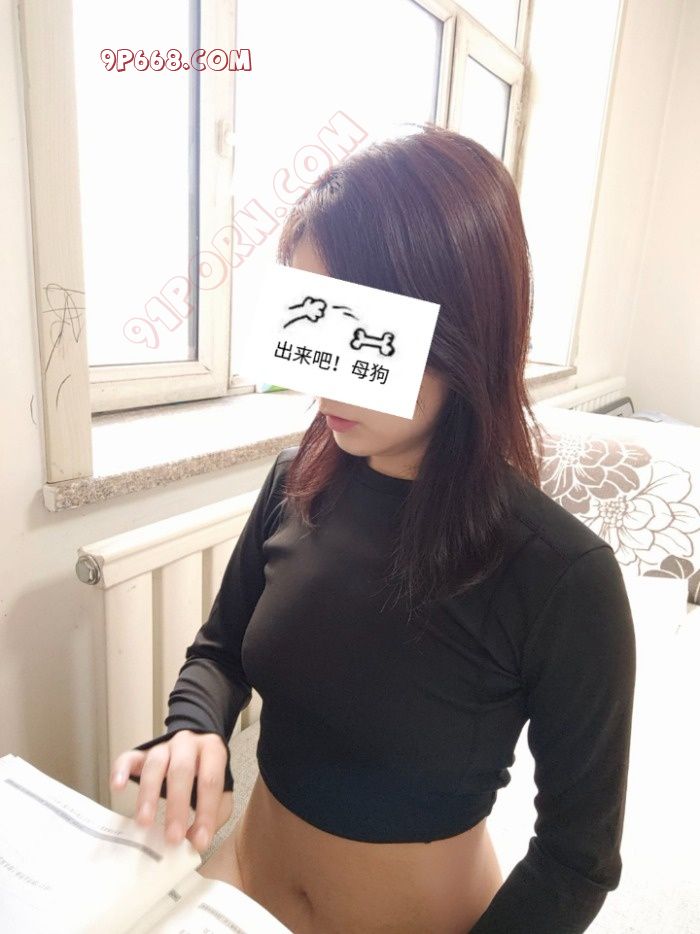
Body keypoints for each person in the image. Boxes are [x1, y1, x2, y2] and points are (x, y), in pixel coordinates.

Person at [110, 125, 636, 933]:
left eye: (361, 335)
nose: (326, 374)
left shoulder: (563, 578)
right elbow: (220, 652)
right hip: (244, 879)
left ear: (464, 327)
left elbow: (578, 857)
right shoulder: (294, 483)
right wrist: (194, 730)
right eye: (310, 322)